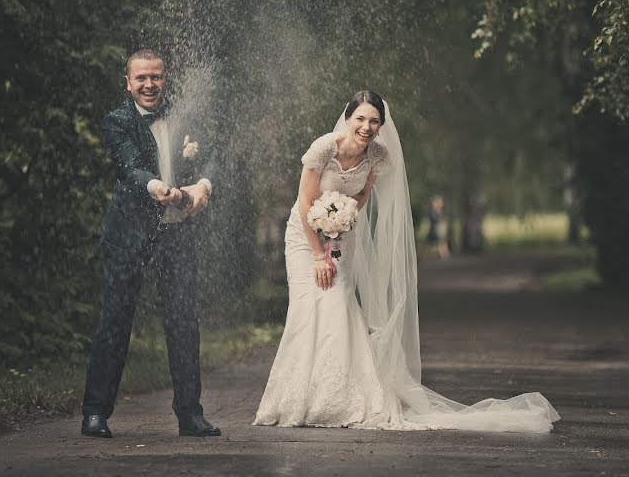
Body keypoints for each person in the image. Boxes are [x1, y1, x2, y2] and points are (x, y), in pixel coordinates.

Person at [253, 91, 559, 432]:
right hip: (304, 236)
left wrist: (340, 228)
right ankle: (294, 399)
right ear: (348, 117)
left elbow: (362, 194)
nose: (367, 127)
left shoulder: (378, 156)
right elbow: (305, 198)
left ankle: (336, 399)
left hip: (341, 235)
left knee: (338, 304)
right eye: (361, 119)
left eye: (374, 121)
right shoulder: (325, 147)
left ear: (381, 125)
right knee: (307, 307)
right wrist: (316, 253)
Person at [81, 49, 220, 438]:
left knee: (182, 323)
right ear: (128, 82)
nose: (149, 84)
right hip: (130, 234)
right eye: (141, 78)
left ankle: (190, 415)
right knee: (115, 321)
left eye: (155, 77)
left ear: (165, 78)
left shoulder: (187, 115)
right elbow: (130, 167)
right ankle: (94, 412)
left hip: (177, 233)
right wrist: (157, 187)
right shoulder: (117, 121)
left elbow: (212, 156)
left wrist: (203, 185)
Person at [426, 195, 450, 259]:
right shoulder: (432, 211)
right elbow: (433, 219)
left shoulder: (438, 211)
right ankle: (427, 255)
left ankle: (444, 255)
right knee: (432, 242)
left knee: (441, 242)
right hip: (434, 228)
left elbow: (439, 220)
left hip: (438, 229)